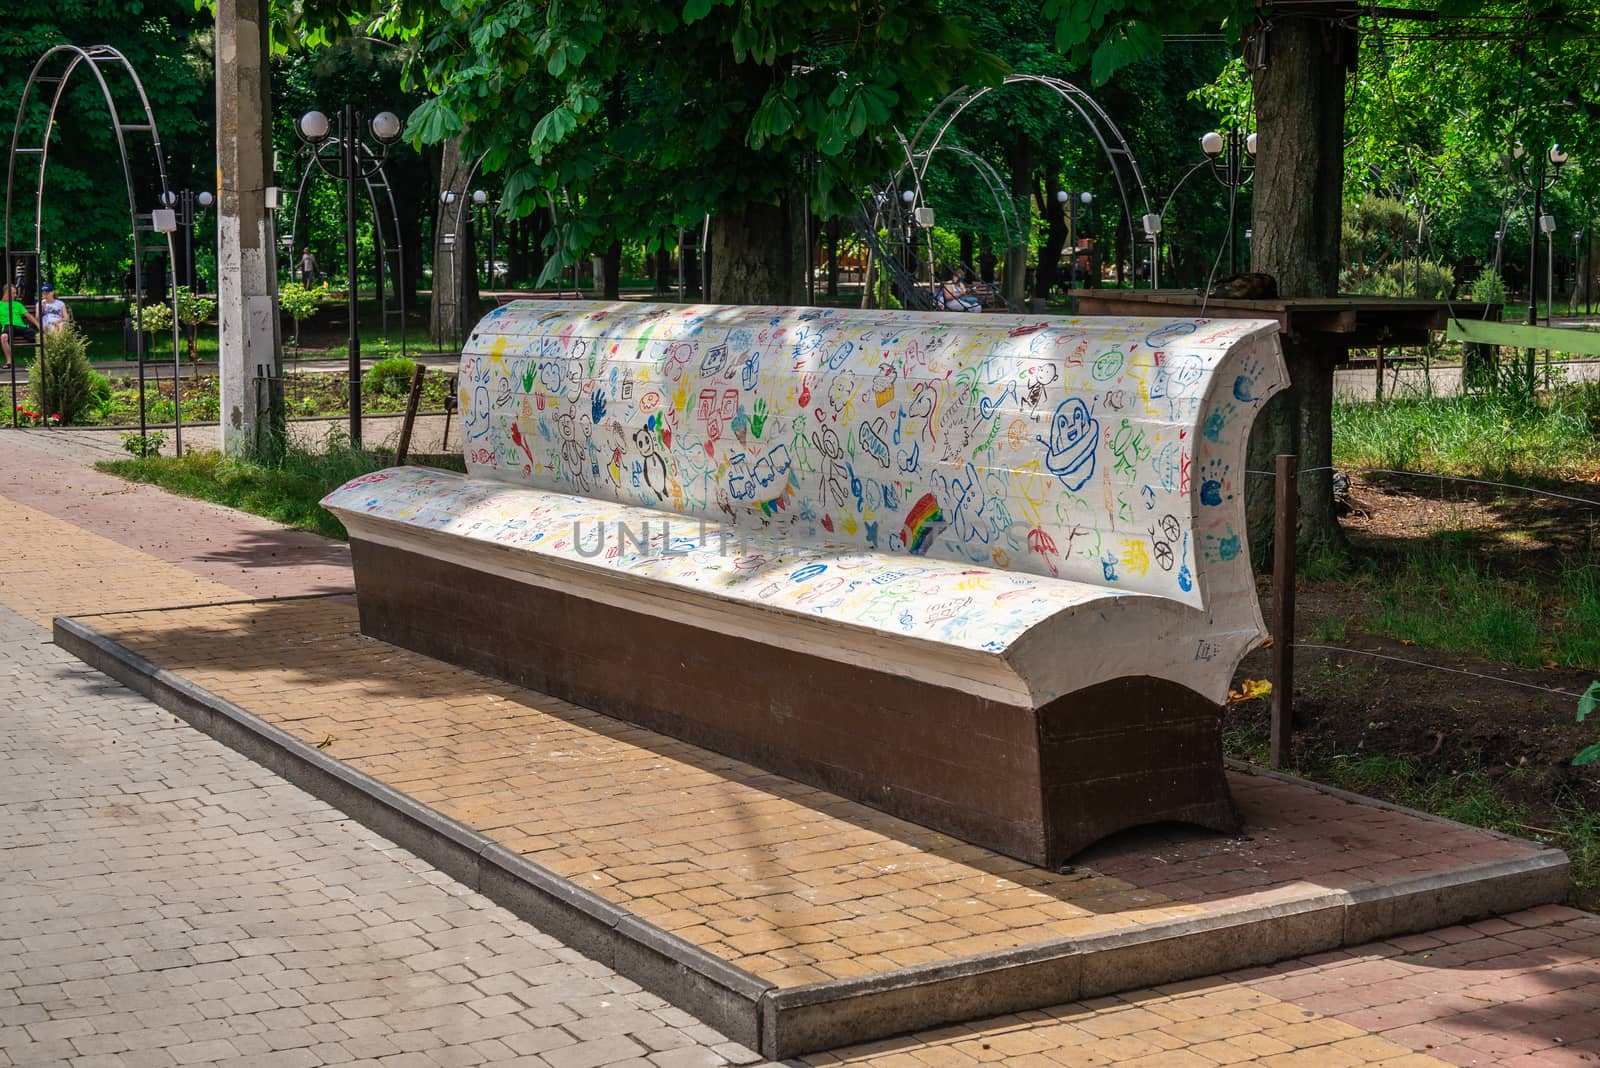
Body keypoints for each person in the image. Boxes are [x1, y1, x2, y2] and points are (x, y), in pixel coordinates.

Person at [0, 284, 40, 366]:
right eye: (13, 293)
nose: (15, 295)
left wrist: (38, 325)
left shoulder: (18, 304)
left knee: (39, 337)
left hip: (21, 327)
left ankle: (40, 362)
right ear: (6, 293)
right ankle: (9, 362)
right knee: (3, 337)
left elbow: (28, 316)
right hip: (8, 326)